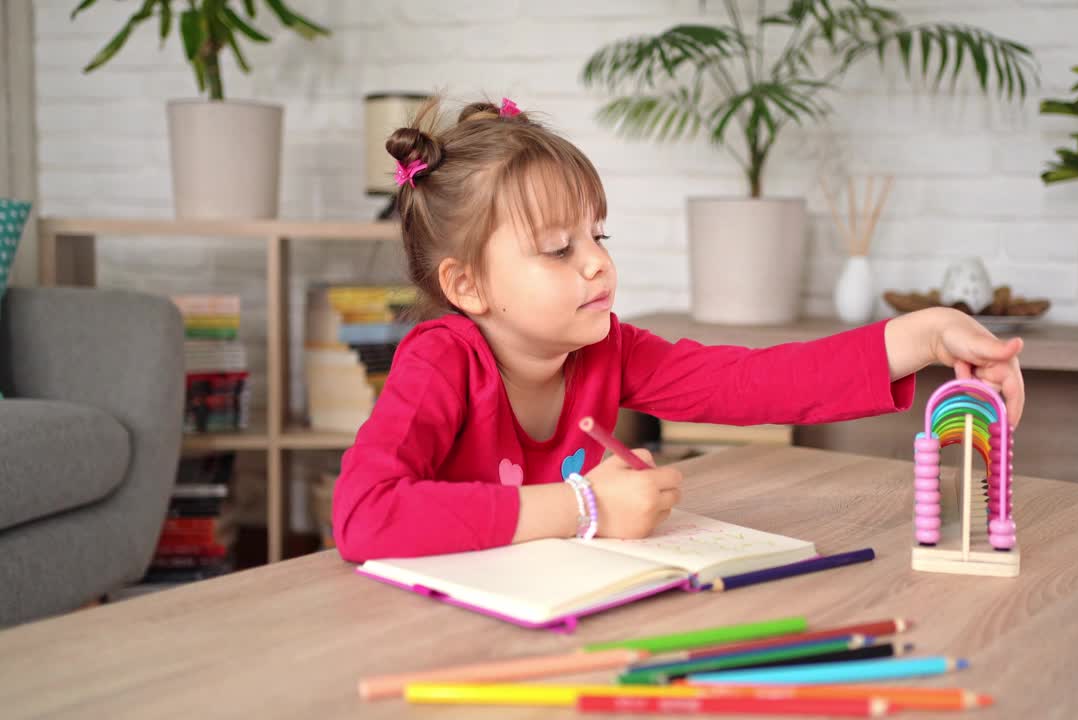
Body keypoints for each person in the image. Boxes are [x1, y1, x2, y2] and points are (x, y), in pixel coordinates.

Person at [332, 96, 1025, 562]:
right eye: (558, 248)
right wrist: (583, 505)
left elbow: (757, 382)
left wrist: (929, 335)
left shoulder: (607, 348)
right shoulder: (441, 363)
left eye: (597, 235)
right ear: (466, 285)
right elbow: (365, 517)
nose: (598, 262)